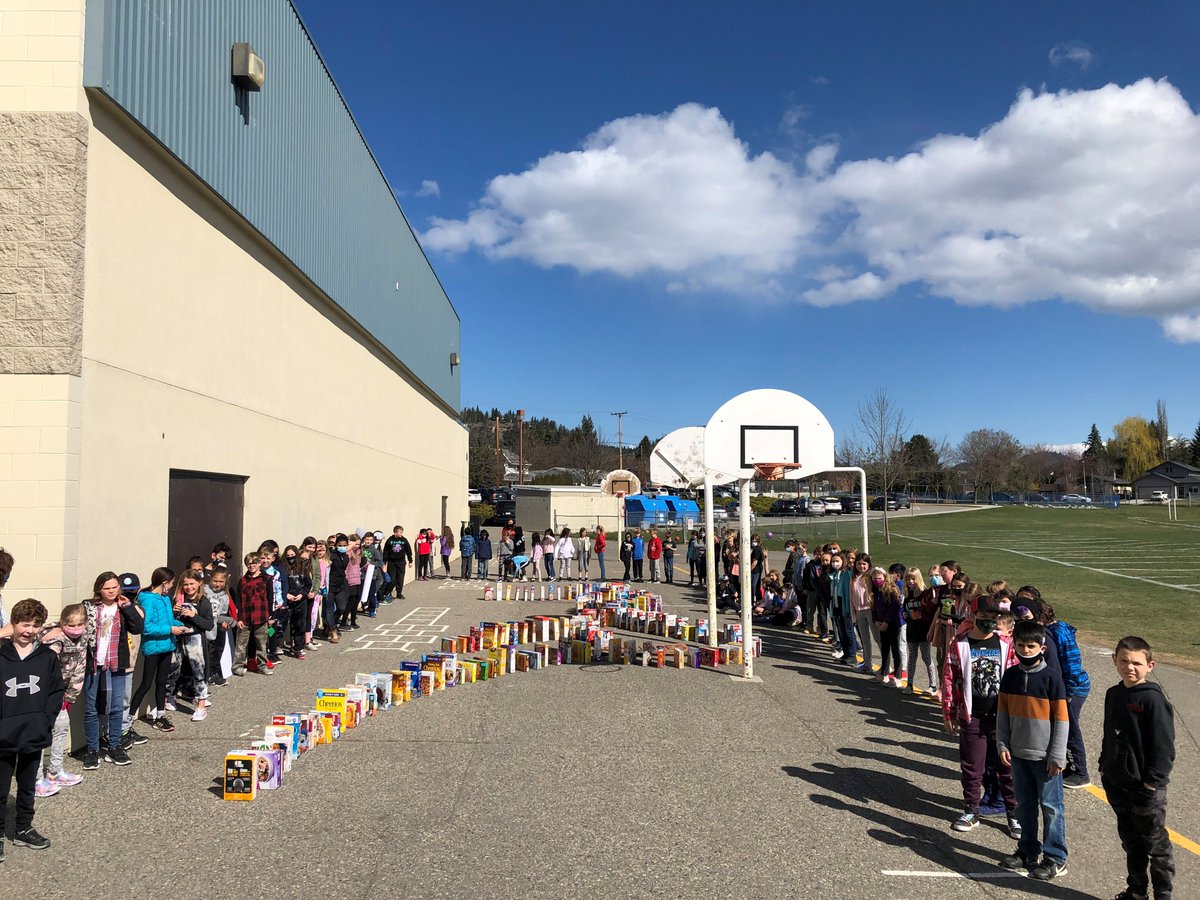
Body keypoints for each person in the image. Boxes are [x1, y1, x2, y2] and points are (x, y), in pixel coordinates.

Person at [1099, 636, 1175, 900]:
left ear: (1150, 665)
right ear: (1114, 661)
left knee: (1156, 845)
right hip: (1119, 783)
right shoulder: (1113, 694)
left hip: (1146, 789)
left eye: (1136, 663)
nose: (1129, 667)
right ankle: (1137, 891)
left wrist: (1153, 782)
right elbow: (1109, 734)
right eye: (1123, 661)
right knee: (1131, 843)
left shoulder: (1152, 700)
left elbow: (1164, 746)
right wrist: (1104, 766)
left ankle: (1162, 893)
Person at [997, 619, 1070, 881]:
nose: (1026, 650)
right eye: (1021, 645)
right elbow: (1002, 714)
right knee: (1025, 805)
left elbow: (1062, 720)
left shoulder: (1052, 679)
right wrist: (1002, 743)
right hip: (1018, 754)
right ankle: (1027, 850)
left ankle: (1055, 857)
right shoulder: (1011, 676)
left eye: (1031, 646)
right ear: (1013, 646)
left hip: (1046, 758)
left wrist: (1057, 755)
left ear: (1042, 647)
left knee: (1051, 808)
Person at [942, 595, 1020, 839]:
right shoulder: (960, 644)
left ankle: (1014, 813)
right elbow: (949, 677)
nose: (989, 621)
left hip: (1002, 717)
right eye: (984, 617)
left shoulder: (1007, 645)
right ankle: (971, 809)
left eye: (993, 617)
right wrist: (949, 711)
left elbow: (1016, 676)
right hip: (972, 714)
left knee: (1005, 766)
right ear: (973, 616)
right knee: (972, 765)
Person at [0, 598, 64, 854]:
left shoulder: (46, 657)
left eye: (35, 626)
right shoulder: (2, 656)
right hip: (3, 735)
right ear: (13, 624)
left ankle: (24, 829)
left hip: (34, 732)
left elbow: (55, 691)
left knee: (27, 786)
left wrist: (45, 721)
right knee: (1, 788)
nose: (29, 631)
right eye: (25, 624)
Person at [81, 572, 143, 769]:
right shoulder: (89, 607)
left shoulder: (124, 606)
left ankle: (115, 745)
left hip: (117, 661)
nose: (111, 591)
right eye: (107, 588)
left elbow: (138, 627)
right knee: (91, 707)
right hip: (93, 663)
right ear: (99, 588)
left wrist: (127, 607)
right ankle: (93, 749)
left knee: (116, 706)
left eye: (115, 587)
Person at [35, 603, 88, 797]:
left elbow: (80, 667)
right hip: (44, 693)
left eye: (80, 624)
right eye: (71, 625)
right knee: (40, 734)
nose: (76, 629)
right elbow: (45, 664)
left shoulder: (83, 638)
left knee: (61, 727)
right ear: (62, 623)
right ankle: (35, 777)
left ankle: (55, 771)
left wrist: (70, 696)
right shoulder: (54, 639)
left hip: (62, 693)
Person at [1041, 599, 1092, 789]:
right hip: (1068, 687)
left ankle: (1081, 772)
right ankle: (1070, 766)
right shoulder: (1053, 631)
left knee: (1070, 729)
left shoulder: (1058, 633)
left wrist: (1069, 691)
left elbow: (1071, 663)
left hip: (1074, 688)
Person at [129, 567, 186, 733]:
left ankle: (160, 716)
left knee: (162, 682)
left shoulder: (165, 598)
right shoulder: (147, 599)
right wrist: (170, 630)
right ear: (164, 583)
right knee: (146, 683)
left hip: (167, 645)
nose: (173, 585)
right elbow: (147, 628)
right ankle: (128, 719)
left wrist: (181, 627)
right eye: (172, 582)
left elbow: (169, 620)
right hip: (153, 647)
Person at [171, 571, 213, 720]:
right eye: (186, 584)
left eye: (192, 584)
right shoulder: (177, 599)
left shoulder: (203, 601)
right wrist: (173, 612)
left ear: (199, 583)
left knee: (199, 672)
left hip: (195, 641)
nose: (188, 587)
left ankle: (201, 706)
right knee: (174, 670)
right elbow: (171, 620)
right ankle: (169, 699)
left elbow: (209, 625)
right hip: (178, 640)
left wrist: (193, 616)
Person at [234, 553, 274, 672]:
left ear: (259, 564)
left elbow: (270, 597)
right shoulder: (242, 580)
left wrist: (270, 615)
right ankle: (238, 666)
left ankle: (262, 665)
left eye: (254, 563)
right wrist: (239, 618)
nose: (251, 566)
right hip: (245, 617)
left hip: (261, 616)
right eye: (249, 564)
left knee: (261, 643)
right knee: (241, 644)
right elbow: (238, 599)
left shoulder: (266, 579)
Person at [903, 568, 938, 697]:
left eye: (913, 579)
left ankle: (932, 685)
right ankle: (909, 684)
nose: (911, 582)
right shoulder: (908, 596)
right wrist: (905, 614)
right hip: (912, 631)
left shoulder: (925, 594)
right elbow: (904, 611)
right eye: (908, 579)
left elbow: (930, 611)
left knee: (926, 658)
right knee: (912, 657)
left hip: (923, 631)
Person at [871, 567, 904, 686]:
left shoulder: (891, 590)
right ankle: (884, 673)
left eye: (879, 578)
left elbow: (895, 608)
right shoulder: (876, 592)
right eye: (874, 578)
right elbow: (874, 608)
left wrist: (887, 621)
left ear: (885, 578)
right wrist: (876, 620)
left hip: (893, 624)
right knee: (885, 649)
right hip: (881, 624)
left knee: (895, 650)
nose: (877, 580)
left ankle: (898, 677)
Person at [204, 569, 235, 686]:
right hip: (204, 626)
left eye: (221, 581)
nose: (218, 584)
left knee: (217, 650)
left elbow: (221, 614)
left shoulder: (225, 597)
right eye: (215, 581)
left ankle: (213, 673)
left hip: (216, 628)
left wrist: (228, 622)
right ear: (210, 579)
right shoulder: (204, 590)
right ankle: (205, 675)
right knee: (206, 652)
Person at [849, 553, 878, 674]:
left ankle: (887, 666)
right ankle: (867, 664)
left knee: (878, 638)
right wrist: (853, 615)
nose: (861, 566)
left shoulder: (871, 576)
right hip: (859, 612)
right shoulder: (853, 578)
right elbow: (851, 598)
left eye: (864, 564)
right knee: (865, 640)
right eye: (859, 564)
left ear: (868, 564)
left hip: (871, 611)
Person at [383, 526, 413, 600]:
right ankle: (388, 592)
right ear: (395, 532)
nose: (401, 534)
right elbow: (385, 552)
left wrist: (410, 560)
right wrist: (384, 562)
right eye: (400, 532)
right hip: (391, 562)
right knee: (392, 579)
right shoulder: (390, 540)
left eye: (402, 532)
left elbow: (408, 550)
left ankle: (399, 593)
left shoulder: (404, 540)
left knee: (400, 578)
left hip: (401, 562)